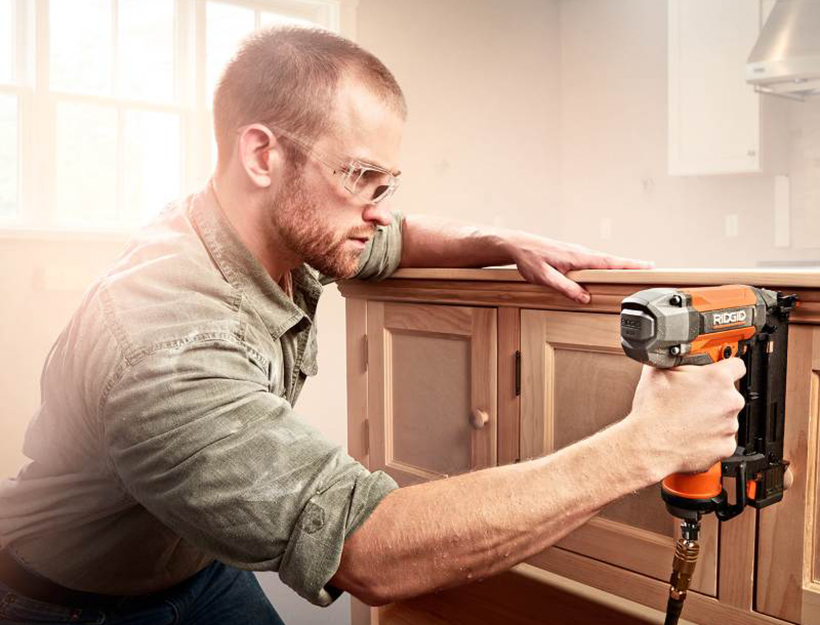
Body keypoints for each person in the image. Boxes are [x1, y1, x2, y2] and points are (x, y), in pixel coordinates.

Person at [0, 27, 746, 624]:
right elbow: (367, 552)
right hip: (73, 602)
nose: (380, 208)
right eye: (362, 178)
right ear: (261, 153)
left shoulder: (268, 226)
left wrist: (498, 241)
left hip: (196, 571)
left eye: (387, 184)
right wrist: (647, 442)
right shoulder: (168, 343)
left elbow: (398, 237)